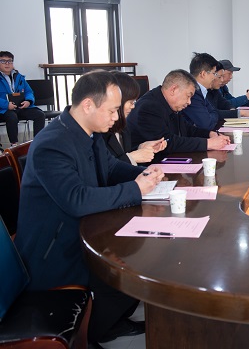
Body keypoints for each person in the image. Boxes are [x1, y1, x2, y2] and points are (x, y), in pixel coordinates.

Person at [13, 70, 165, 347]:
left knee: (140, 257)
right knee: (126, 271)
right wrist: (136, 189)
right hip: (55, 248)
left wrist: (144, 174)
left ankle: (112, 323)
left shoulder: (89, 134)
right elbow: (76, 199)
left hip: (85, 228)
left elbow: (111, 167)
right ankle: (98, 331)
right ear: (87, 105)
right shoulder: (52, 143)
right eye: (112, 110)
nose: (117, 117)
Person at [127, 69, 230, 153]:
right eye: (188, 96)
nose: (189, 102)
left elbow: (186, 129)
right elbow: (167, 142)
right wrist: (208, 143)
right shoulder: (149, 107)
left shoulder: (170, 104)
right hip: (148, 166)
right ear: (173, 90)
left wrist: (209, 134)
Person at [102, 71, 167, 165]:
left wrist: (141, 148)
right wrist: (132, 157)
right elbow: (105, 167)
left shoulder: (124, 128)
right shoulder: (100, 132)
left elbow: (123, 153)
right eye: (131, 102)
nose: (133, 106)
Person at [182, 53, 249, 130]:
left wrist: (216, 113)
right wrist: (215, 114)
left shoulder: (202, 91)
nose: (215, 78)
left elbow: (217, 109)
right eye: (214, 74)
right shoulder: (193, 94)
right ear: (203, 74)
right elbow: (207, 122)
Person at [0, 51, 46, 145]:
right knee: (12, 117)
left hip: (20, 107)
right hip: (4, 109)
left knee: (39, 114)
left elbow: (29, 92)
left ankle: (37, 143)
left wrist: (28, 101)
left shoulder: (19, 77)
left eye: (10, 61)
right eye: (3, 61)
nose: (7, 64)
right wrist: (6, 105)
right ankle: (14, 145)